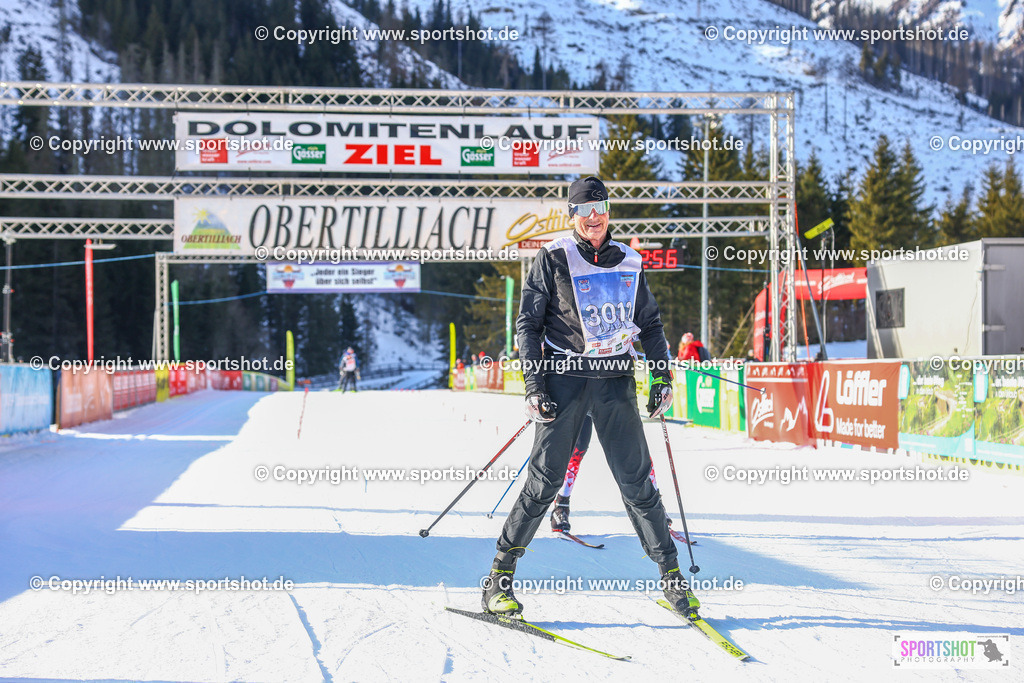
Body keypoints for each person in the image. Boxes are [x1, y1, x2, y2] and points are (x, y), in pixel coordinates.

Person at [480, 176, 699, 618]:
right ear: (573, 215)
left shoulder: (631, 261)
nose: (593, 217)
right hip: (564, 378)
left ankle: (673, 581)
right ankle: (498, 581)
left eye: (599, 207)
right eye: (584, 210)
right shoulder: (553, 256)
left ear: (608, 210)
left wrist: (661, 378)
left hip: (614, 378)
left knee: (637, 482)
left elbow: (651, 325)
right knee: (544, 482)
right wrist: (535, 386)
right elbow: (529, 325)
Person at [550, 414, 672, 533]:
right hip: (582, 398)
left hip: (612, 398)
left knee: (635, 448)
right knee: (578, 447)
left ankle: (655, 505)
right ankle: (561, 505)